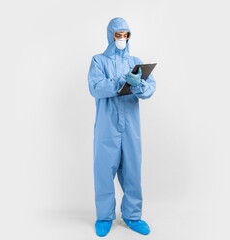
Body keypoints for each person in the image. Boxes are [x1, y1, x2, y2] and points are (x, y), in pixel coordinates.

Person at [87, 17, 156, 237]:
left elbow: (149, 89)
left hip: (131, 128)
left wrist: (138, 84)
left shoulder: (135, 61)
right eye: (118, 35)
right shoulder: (98, 61)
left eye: (126, 35)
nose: (122, 39)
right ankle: (105, 216)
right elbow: (95, 87)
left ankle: (132, 216)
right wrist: (119, 81)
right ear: (110, 36)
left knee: (133, 171)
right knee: (104, 171)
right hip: (107, 127)